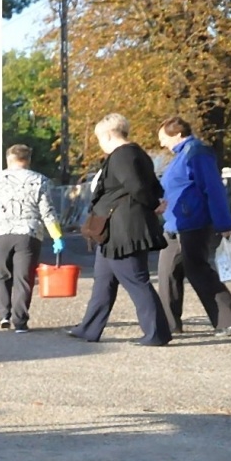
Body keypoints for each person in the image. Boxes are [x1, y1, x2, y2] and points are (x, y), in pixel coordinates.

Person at [70, 114, 173, 346]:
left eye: (99, 138)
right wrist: (156, 199)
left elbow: (136, 186)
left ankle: (157, 333)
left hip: (123, 230)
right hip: (114, 230)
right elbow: (152, 184)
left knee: (136, 280)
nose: (99, 143)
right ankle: (89, 328)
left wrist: (154, 203)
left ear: (107, 135)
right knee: (103, 280)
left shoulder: (122, 156)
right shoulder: (137, 153)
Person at [155, 116, 231, 337]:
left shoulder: (196, 153)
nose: (161, 144)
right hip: (175, 224)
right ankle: (169, 325)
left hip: (193, 223)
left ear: (177, 134)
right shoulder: (181, 156)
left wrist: (224, 223)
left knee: (197, 269)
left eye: (163, 138)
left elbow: (213, 188)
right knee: (167, 272)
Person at [0, 144, 64, 332]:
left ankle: (3, 317)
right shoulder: (40, 180)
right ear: (28, 160)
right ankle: (20, 322)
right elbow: (48, 211)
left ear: (8, 159)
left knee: (2, 276)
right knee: (23, 278)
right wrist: (56, 236)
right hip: (28, 234)